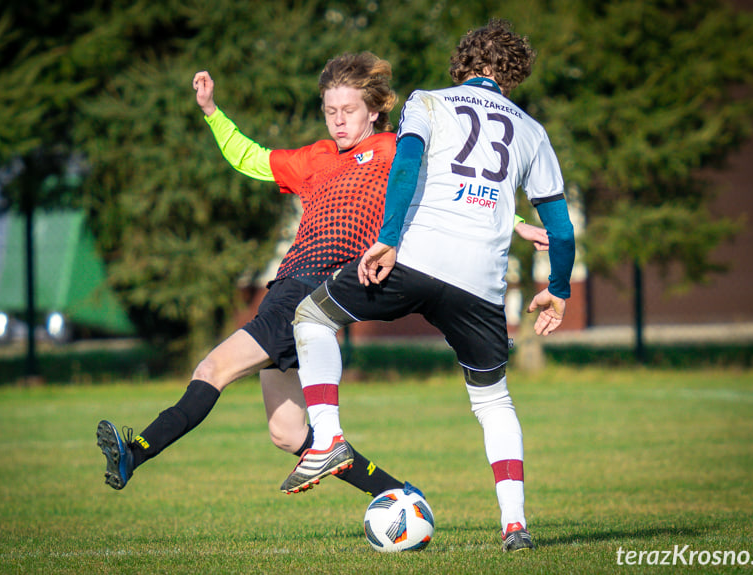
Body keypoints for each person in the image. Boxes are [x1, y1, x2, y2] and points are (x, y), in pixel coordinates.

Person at [96, 52, 549, 499]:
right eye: (330, 111)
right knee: (289, 434)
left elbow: (447, 191)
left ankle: (133, 454)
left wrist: (516, 224)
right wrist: (213, 113)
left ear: (374, 109)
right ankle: (398, 494)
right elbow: (250, 157)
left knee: (212, 368)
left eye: (348, 110)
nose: (338, 120)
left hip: (315, 294)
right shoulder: (316, 158)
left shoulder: (397, 149)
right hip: (284, 289)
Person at [280, 20, 575, 554]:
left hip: (416, 260)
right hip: (481, 286)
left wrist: (388, 239)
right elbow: (561, 228)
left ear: (462, 61)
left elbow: (408, 167)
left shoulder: (428, 101)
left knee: (312, 316)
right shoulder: (531, 131)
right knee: (493, 401)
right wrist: (557, 290)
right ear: (513, 74)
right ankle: (514, 526)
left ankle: (328, 436)